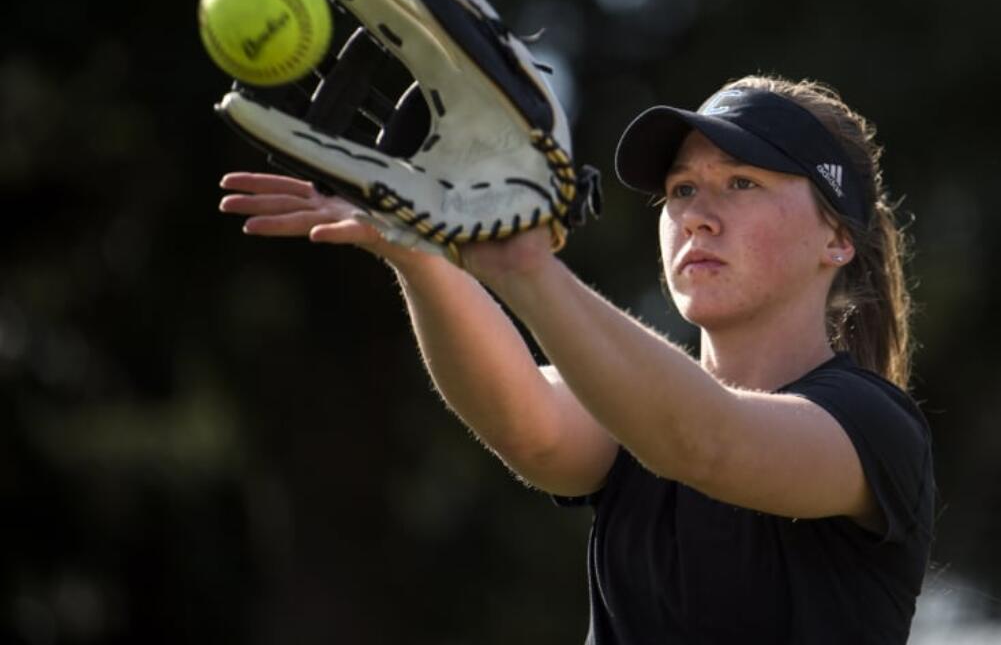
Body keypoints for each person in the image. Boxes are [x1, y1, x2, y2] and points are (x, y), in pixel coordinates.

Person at [219, 73, 935, 644]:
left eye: (742, 182)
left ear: (837, 239)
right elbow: (529, 424)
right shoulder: (634, 407)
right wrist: (418, 253)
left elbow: (704, 440)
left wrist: (521, 262)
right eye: (682, 188)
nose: (696, 213)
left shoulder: (872, 426)